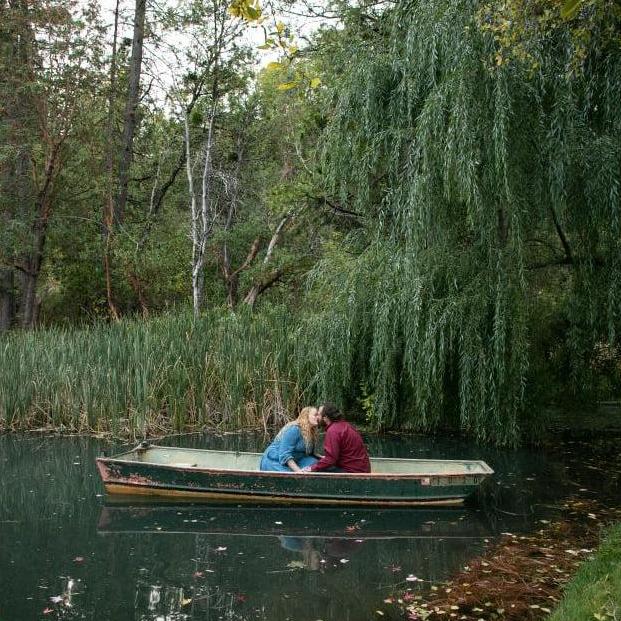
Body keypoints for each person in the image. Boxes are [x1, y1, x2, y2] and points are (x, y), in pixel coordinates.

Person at [306, 403, 371, 473]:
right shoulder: (346, 425)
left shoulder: (333, 431)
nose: (317, 417)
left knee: (315, 468)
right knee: (320, 463)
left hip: (352, 472)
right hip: (363, 469)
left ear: (325, 418)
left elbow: (331, 459)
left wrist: (311, 468)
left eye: (318, 414)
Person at [259, 406, 322, 472]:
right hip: (276, 460)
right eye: (315, 415)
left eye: (318, 415)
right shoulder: (295, 429)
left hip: (297, 458)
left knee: (316, 463)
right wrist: (298, 471)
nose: (318, 417)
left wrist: (322, 458)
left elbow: (309, 452)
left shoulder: (311, 432)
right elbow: (285, 455)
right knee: (292, 474)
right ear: (306, 416)